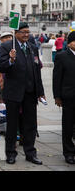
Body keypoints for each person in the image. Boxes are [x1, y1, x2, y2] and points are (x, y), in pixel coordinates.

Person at [0, 22, 46, 165]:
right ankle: (11, 153)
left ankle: (30, 153)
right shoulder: (7, 47)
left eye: (28, 32)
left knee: (30, 125)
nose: (26, 34)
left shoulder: (32, 47)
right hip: (13, 93)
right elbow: (2, 67)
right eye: (23, 32)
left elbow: (37, 71)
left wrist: (41, 92)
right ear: (16, 33)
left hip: (30, 93)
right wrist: (11, 60)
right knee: (12, 125)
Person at [52, 31, 75, 164]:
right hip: (68, 96)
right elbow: (57, 78)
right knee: (67, 125)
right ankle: (68, 152)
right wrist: (57, 96)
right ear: (70, 43)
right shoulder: (62, 56)